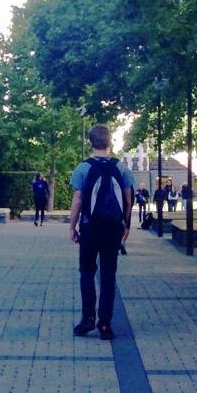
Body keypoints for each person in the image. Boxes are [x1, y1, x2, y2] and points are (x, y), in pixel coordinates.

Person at [68, 123, 134, 340]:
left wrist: (73, 226)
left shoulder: (83, 168)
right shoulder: (121, 168)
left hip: (90, 227)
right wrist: (126, 224)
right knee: (108, 275)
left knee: (86, 272)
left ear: (90, 142)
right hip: (113, 229)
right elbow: (127, 198)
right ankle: (105, 323)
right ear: (110, 142)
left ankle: (88, 318)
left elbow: (77, 200)